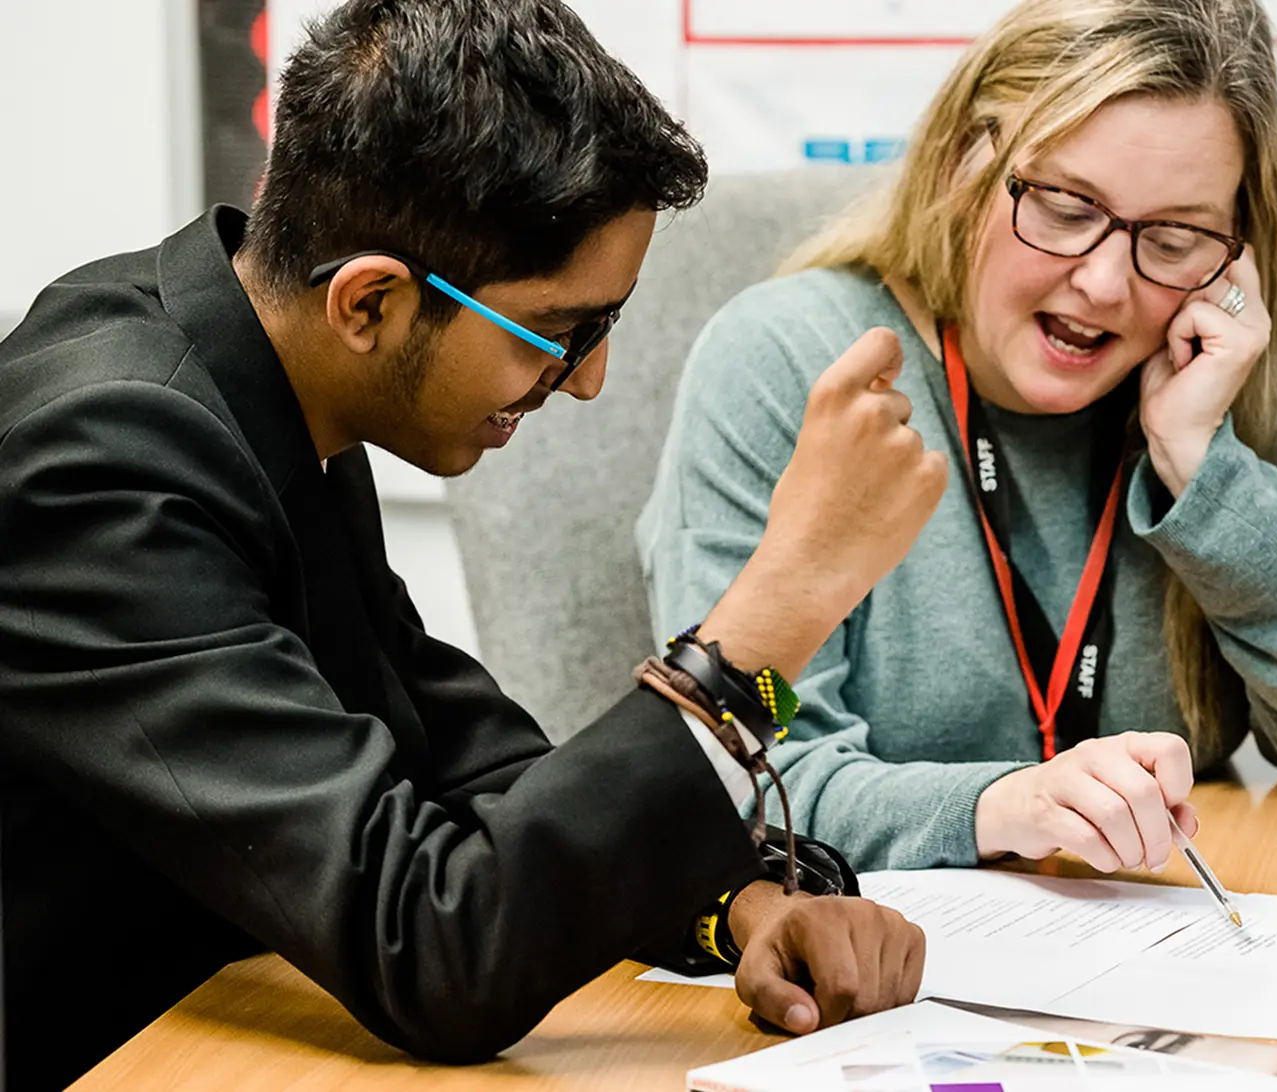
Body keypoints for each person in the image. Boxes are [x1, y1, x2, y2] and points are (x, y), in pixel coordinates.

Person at [0, 2, 943, 1088]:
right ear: (370, 303)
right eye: (560, 329)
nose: (588, 378)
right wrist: (773, 617)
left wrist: (738, 904)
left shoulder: (267, 370)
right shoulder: (106, 462)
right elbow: (434, 946)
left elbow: (449, 750)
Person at [639, 0, 1277, 877]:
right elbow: (742, 777)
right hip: (893, 969)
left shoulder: (1256, 359)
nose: (1106, 283)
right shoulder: (797, 365)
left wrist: (1205, 472)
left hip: (1168, 941)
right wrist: (1005, 806)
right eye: (1068, 207)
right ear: (963, 162)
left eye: (1176, 235)